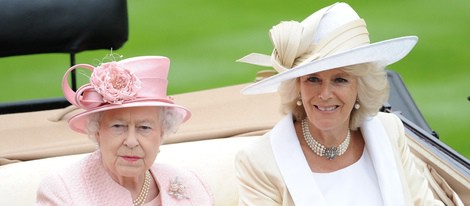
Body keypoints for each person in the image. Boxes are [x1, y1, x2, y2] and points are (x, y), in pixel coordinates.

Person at [234, 2, 446, 205]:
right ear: (298, 86)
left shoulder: (390, 130)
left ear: (360, 87)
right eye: (313, 79)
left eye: (340, 79)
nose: (325, 94)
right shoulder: (259, 162)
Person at [36, 56, 214, 205]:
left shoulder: (192, 185)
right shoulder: (63, 192)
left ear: (161, 134)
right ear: (97, 132)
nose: (131, 141)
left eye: (144, 128)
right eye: (118, 126)